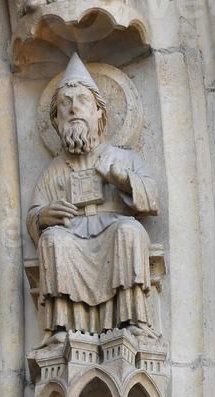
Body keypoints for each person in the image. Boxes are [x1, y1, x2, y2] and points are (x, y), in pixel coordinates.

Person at [27, 55, 160, 338]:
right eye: (65, 103)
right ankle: (63, 328)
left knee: (129, 230)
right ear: (56, 120)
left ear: (99, 112)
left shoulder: (122, 158)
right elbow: (34, 213)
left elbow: (151, 198)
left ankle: (132, 322)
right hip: (72, 236)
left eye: (82, 101)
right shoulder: (54, 170)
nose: (74, 109)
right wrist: (43, 215)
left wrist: (122, 180)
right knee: (53, 239)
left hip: (113, 232)